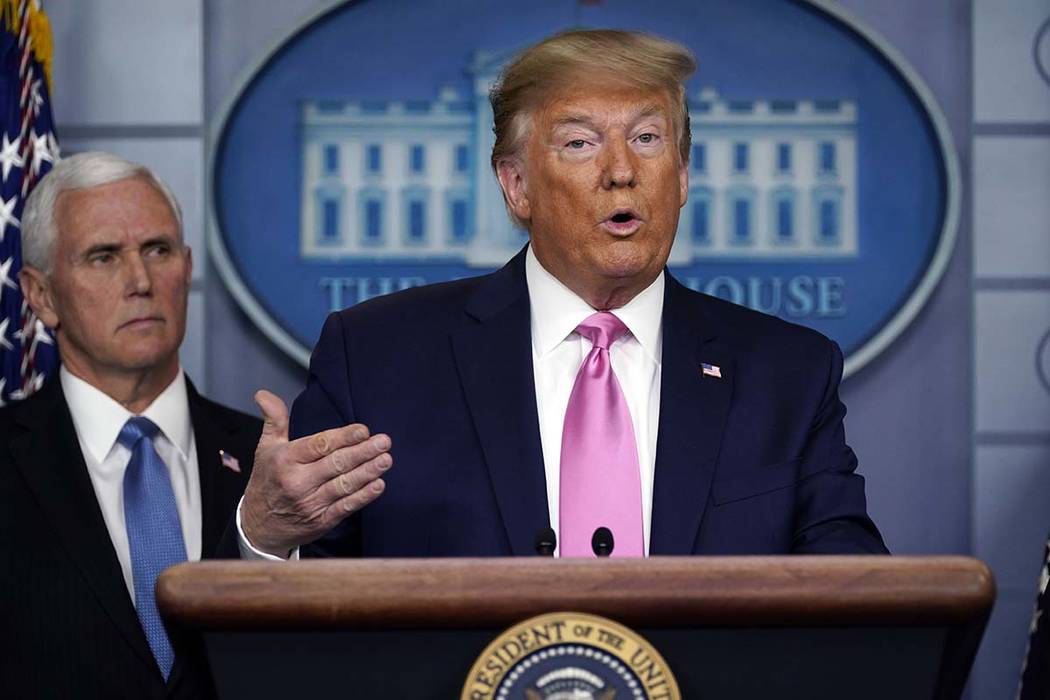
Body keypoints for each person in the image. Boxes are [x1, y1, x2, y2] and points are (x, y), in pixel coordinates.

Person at [237, 29, 886, 560]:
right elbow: (309, 607)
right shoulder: (378, 356)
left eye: (647, 138)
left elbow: (857, 601)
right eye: (580, 142)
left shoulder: (788, 375)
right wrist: (266, 536)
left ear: (683, 175)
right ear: (516, 185)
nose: (622, 171)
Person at [0, 152, 261, 699]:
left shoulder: (271, 465)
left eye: (158, 250)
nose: (141, 280)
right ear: (40, 295)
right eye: (103, 257)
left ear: (187, 267)